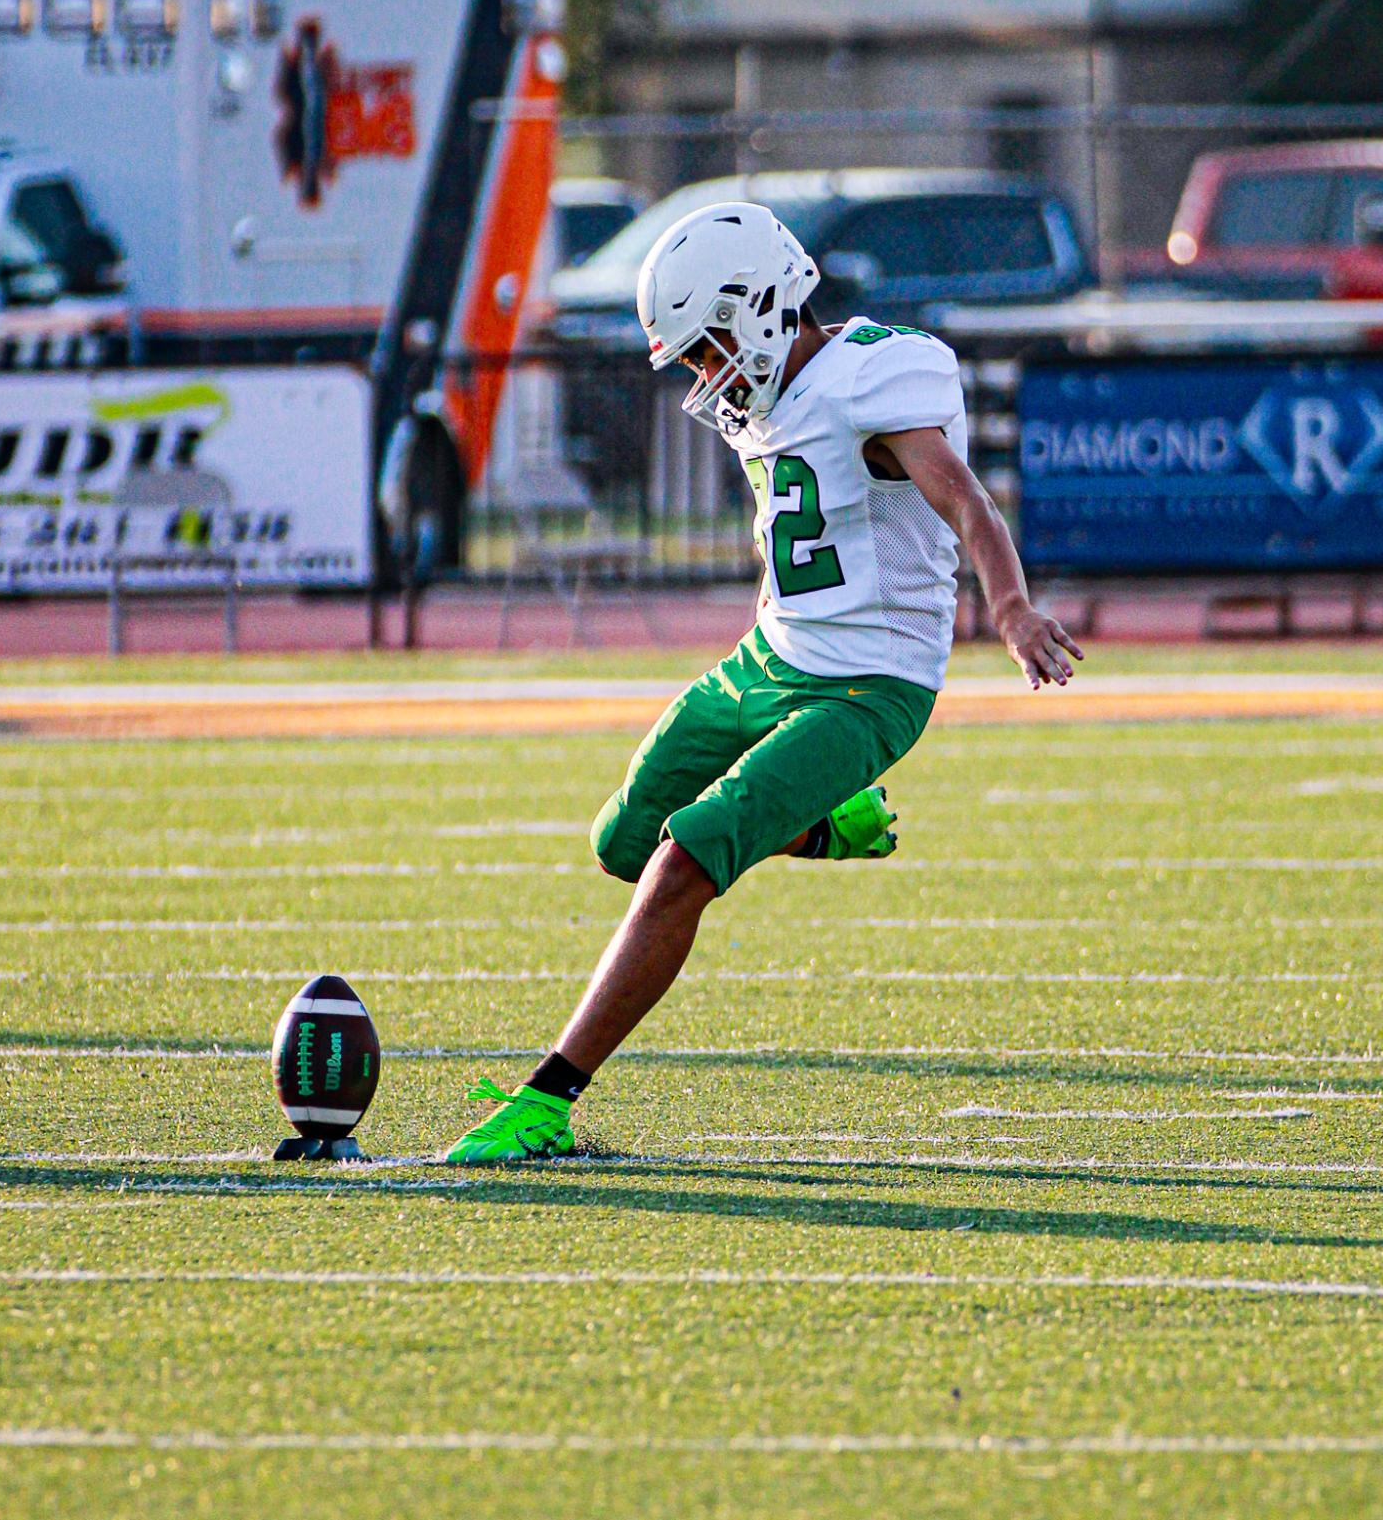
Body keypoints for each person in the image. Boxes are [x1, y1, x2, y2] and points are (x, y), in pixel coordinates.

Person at [444, 202, 1081, 1162]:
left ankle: (548, 1097)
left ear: (761, 306)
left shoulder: (871, 379)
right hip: (770, 657)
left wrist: (1008, 607)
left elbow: (963, 496)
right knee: (622, 838)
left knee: (682, 861)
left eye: (707, 349)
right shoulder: (772, 394)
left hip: (866, 684)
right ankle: (827, 823)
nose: (706, 375)